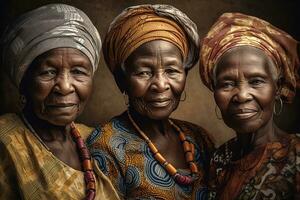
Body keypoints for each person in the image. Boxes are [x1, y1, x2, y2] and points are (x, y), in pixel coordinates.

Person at [86, 4, 214, 200]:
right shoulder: (106, 146)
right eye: (144, 72)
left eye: (172, 71)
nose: (161, 85)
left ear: (185, 75)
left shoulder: (199, 138)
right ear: (122, 80)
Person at [0, 4, 119, 200]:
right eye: (48, 72)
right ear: (23, 82)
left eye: (78, 72)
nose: (64, 87)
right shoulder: (6, 140)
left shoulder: (96, 140)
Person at [199, 12, 300, 200]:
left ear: (277, 88)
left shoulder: (296, 155)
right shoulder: (220, 158)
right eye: (227, 84)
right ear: (214, 91)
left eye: (256, 81)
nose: (242, 96)